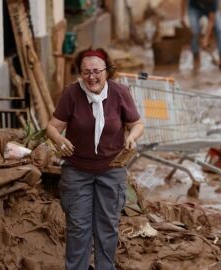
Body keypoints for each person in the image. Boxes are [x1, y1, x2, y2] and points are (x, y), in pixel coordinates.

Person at [46, 48, 144, 270]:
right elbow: (52, 127)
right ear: (80, 73)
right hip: (77, 170)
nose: (92, 76)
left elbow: (137, 124)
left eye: (96, 71)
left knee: (107, 228)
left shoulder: (119, 93)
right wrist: (58, 140)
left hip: (112, 170)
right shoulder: (71, 94)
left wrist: (132, 137)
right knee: (78, 228)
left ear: (106, 71)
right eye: (86, 72)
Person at [181, 0, 221, 69]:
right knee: (195, 31)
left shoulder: (214, 2)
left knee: (220, 29)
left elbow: (211, 20)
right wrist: (182, 16)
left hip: (210, 9)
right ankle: (196, 57)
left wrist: (206, 38)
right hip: (194, 8)